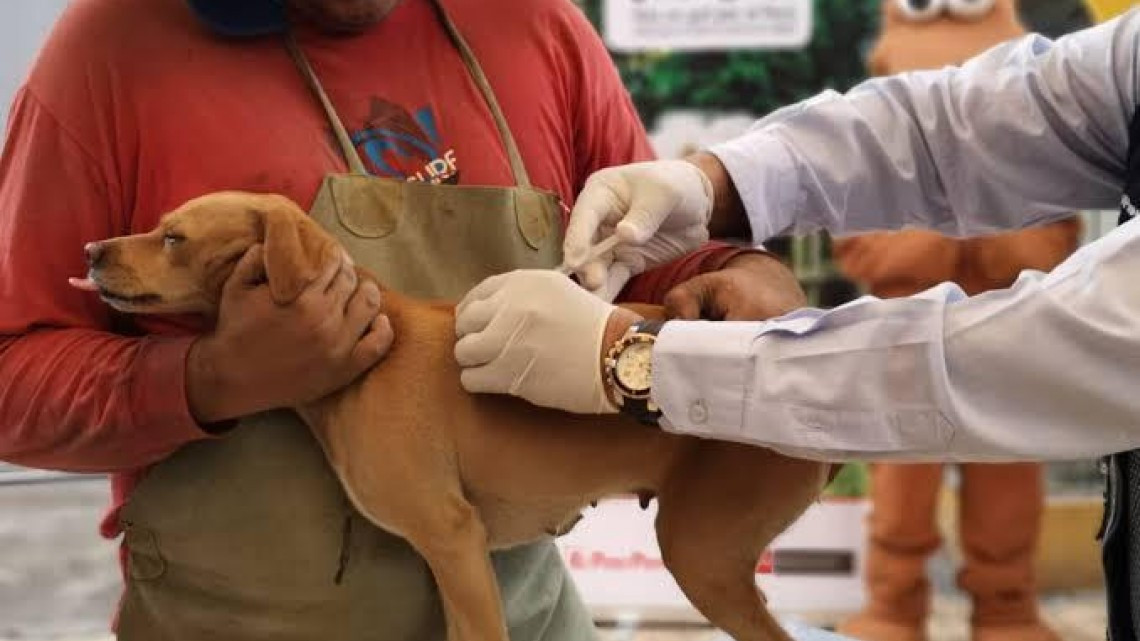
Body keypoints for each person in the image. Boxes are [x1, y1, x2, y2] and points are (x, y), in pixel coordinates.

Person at [0, 0, 798, 638]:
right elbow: (11, 378)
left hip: (518, 615)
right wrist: (208, 379)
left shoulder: (535, 23)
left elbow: (662, 258)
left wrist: (745, 272)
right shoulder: (111, 52)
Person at [453, 8, 1140, 641]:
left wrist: (636, 362)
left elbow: (1037, 356)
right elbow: (963, 126)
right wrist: (717, 183)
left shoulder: (538, 30)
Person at [831, 2, 1080, 639]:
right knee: (902, 485)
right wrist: (943, 241)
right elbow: (856, 242)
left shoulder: (1038, 162)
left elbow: (1054, 242)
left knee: (1008, 482)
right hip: (907, 341)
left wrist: (987, 237)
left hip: (1008, 342)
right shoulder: (871, 152)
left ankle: (1007, 606)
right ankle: (893, 603)